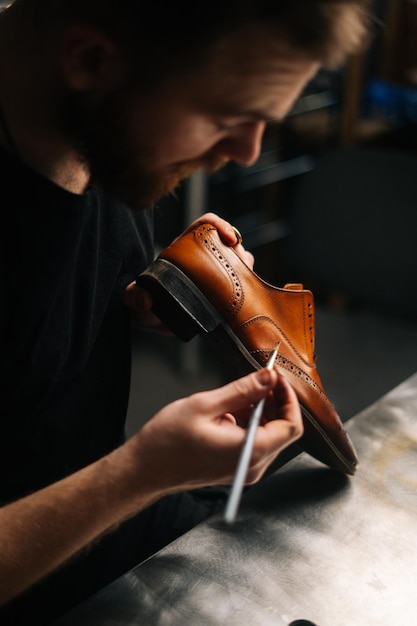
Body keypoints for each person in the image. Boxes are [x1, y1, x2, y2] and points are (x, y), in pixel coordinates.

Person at [0, 0, 370, 622]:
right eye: (227, 116)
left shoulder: (102, 126)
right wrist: (141, 473)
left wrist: (138, 295)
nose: (249, 152)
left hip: (101, 519)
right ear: (90, 60)